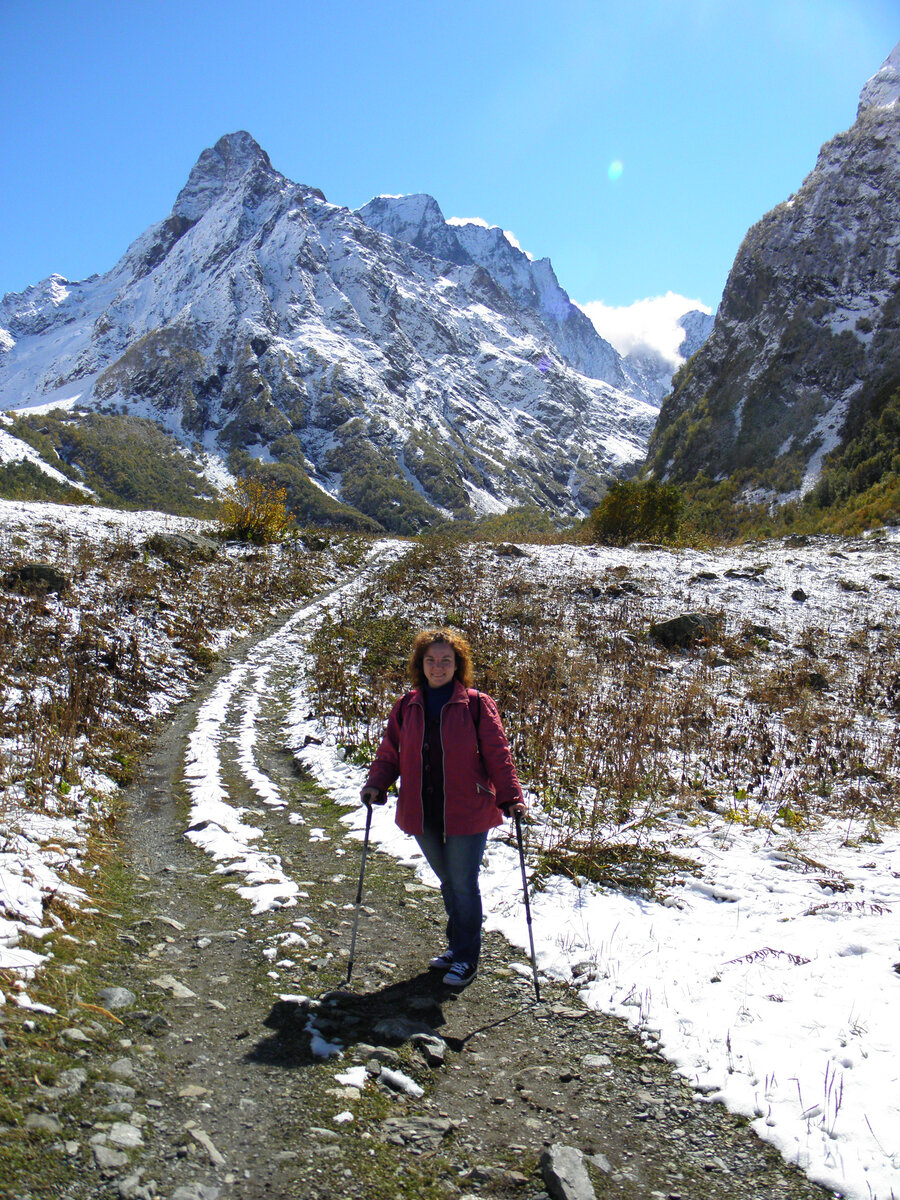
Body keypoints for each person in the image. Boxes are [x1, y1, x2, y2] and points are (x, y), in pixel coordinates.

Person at [360, 628, 526, 988]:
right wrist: (376, 784)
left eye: (446, 660)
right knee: (449, 881)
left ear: (458, 665)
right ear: (420, 664)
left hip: (468, 806)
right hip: (423, 808)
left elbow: (498, 754)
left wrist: (510, 796)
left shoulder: (477, 704)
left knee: (464, 883)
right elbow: (390, 752)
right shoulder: (407, 705)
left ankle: (466, 957)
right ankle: (458, 945)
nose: (438, 667)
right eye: (431, 660)